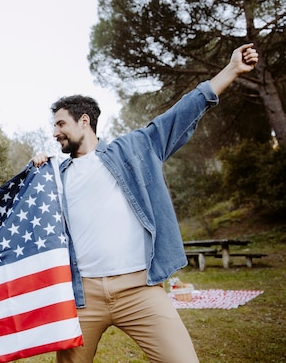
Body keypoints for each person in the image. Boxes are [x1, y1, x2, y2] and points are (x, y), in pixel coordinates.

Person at [32, 44, 259, 363]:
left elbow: (185, 111)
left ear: (84, 121)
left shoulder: (135, 149)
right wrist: (36, 169)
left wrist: (232, 70)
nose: (54, 133)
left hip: (139, 290)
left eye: (60, 124)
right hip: (83, 298)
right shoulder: (55, 174)